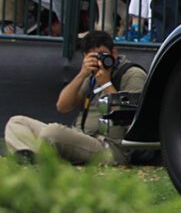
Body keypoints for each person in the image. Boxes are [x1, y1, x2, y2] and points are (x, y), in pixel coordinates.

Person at [3, 31, 148, 165]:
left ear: (114, 53)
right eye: (93, 57)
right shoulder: (92, 74)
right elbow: (62, 106)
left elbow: (134, 118)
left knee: (52, 133)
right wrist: (82, 74)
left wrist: (106, 84)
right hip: (82, 136)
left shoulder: (131, 74)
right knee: (16, 122)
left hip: (110, 147)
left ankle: (36, 156)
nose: (99, 61)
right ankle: (29, 159)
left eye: (103, 55)